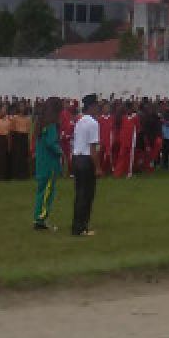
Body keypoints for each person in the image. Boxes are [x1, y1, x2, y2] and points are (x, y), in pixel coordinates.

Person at [71, 94, 102, 237]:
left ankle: (77, 225)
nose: (98, 108)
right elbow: (93, 149)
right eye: (96, 105)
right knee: (87, 195)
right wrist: (98, 167)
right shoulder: (93, 123)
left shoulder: (79, 121)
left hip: (76, 158)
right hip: (86, 160)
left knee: (80, 194)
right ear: (91, 106)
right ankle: (82, 227)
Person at [33, 97, 63, 231]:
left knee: (41, 191)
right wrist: (60, 152)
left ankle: (38, 217)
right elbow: (51, 143)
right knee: (47, 192)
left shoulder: (41, 123)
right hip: (49, 163)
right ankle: (41, 218)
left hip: (41, 162)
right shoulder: (51, 125)